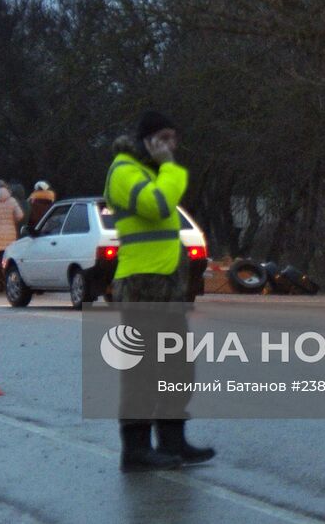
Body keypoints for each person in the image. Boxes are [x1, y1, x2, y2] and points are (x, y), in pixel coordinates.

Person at [104, 110, 214, 472]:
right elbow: (159, 205)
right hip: (140, 283)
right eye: (163, 138)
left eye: (173, 139)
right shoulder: (124, 171)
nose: (170, 146)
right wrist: (170, 167)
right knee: (142, 370)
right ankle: (135, 449)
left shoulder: (150, 173)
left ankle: (172, 440)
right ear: (146, 140)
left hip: (166, 284)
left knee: (176, 365)